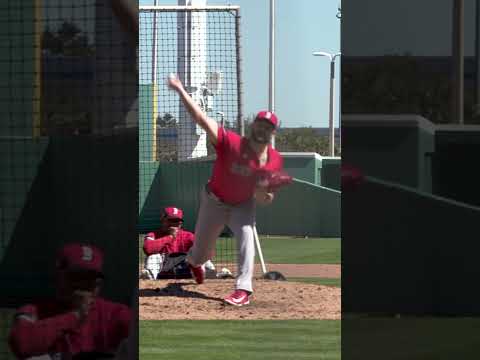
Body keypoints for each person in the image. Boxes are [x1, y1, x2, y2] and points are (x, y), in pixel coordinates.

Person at [167, 74, 284, 307]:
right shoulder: (230, 142)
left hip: (242, 204)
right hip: (214, 201)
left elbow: (266, 197)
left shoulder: (272, 160)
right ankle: (193, 263)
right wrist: (181, 90)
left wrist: (264, 193)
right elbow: (201, 118)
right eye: (260, 124)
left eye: (268, 127)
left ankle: (243, 289)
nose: (263, 129)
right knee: (200, 251)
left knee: (246, 234)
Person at [8, 243, 131, 360]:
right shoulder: (34, 311)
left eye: (91, 280)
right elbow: (22, 344)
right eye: (77, 277)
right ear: (59, 277)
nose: (83, 285)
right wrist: (76, 316)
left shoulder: (114, 313)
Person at [141, 206, 215, 280]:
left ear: (181, 223)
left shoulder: (188, 236)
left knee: (200, 256)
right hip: (162, 272)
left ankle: (211, 275)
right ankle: (149, 277)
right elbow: (148, 249)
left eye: (177, 221)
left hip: (186, 271)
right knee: (153, 256)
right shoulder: (153, 235)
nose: (173, 224)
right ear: (163, 220)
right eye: (171, 220)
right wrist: (170, 237)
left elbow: (207, 252)